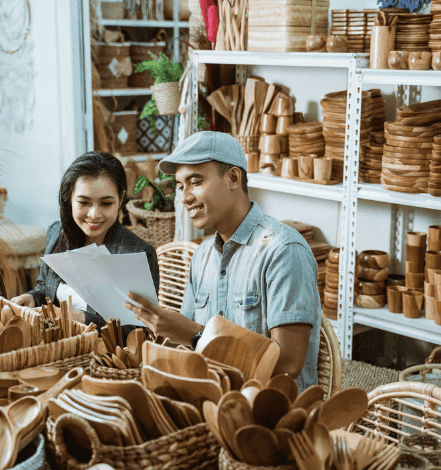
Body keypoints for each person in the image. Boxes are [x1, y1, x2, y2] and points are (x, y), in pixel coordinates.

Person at [124, 132, 321, 390]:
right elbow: (182, 341)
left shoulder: (283, 250)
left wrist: (196, 336)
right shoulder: (203, 255)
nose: (184, 197)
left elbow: (287, 364)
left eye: (195, 182)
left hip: (275, 413)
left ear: (233, 178)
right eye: (181, 186)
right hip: (215, 399)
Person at [11, 152, 160, 328]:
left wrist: (80, 318)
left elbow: (140, 329)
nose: (94, 215)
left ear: (120, 199)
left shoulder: (137, 254)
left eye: (106, 203)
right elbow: (44, 290)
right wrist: (30, 298)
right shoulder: (56, 234)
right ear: (69, 199)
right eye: (84, 202)